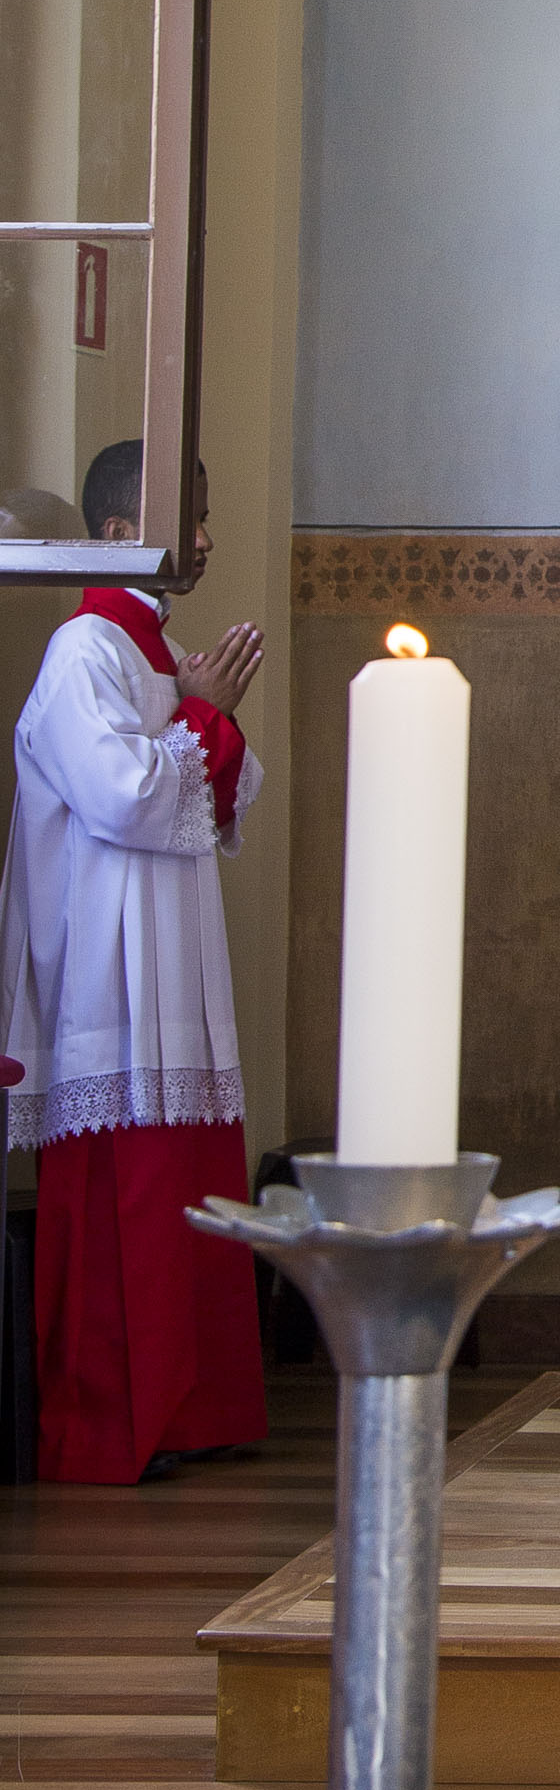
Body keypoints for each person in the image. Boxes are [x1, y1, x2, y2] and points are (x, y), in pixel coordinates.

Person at [0, 444, 268, 1483]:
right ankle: (115, 1423)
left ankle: (191, 1411)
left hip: (168, 967)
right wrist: (202, 713)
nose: (204, 538)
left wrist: (206, 710)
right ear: (120, 533)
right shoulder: (84, 652)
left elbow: (221, 799)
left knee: (180, 1197)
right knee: (126, 1204)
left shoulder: (157, 652)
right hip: (107, 981)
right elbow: (120, 797)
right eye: (189, 517)